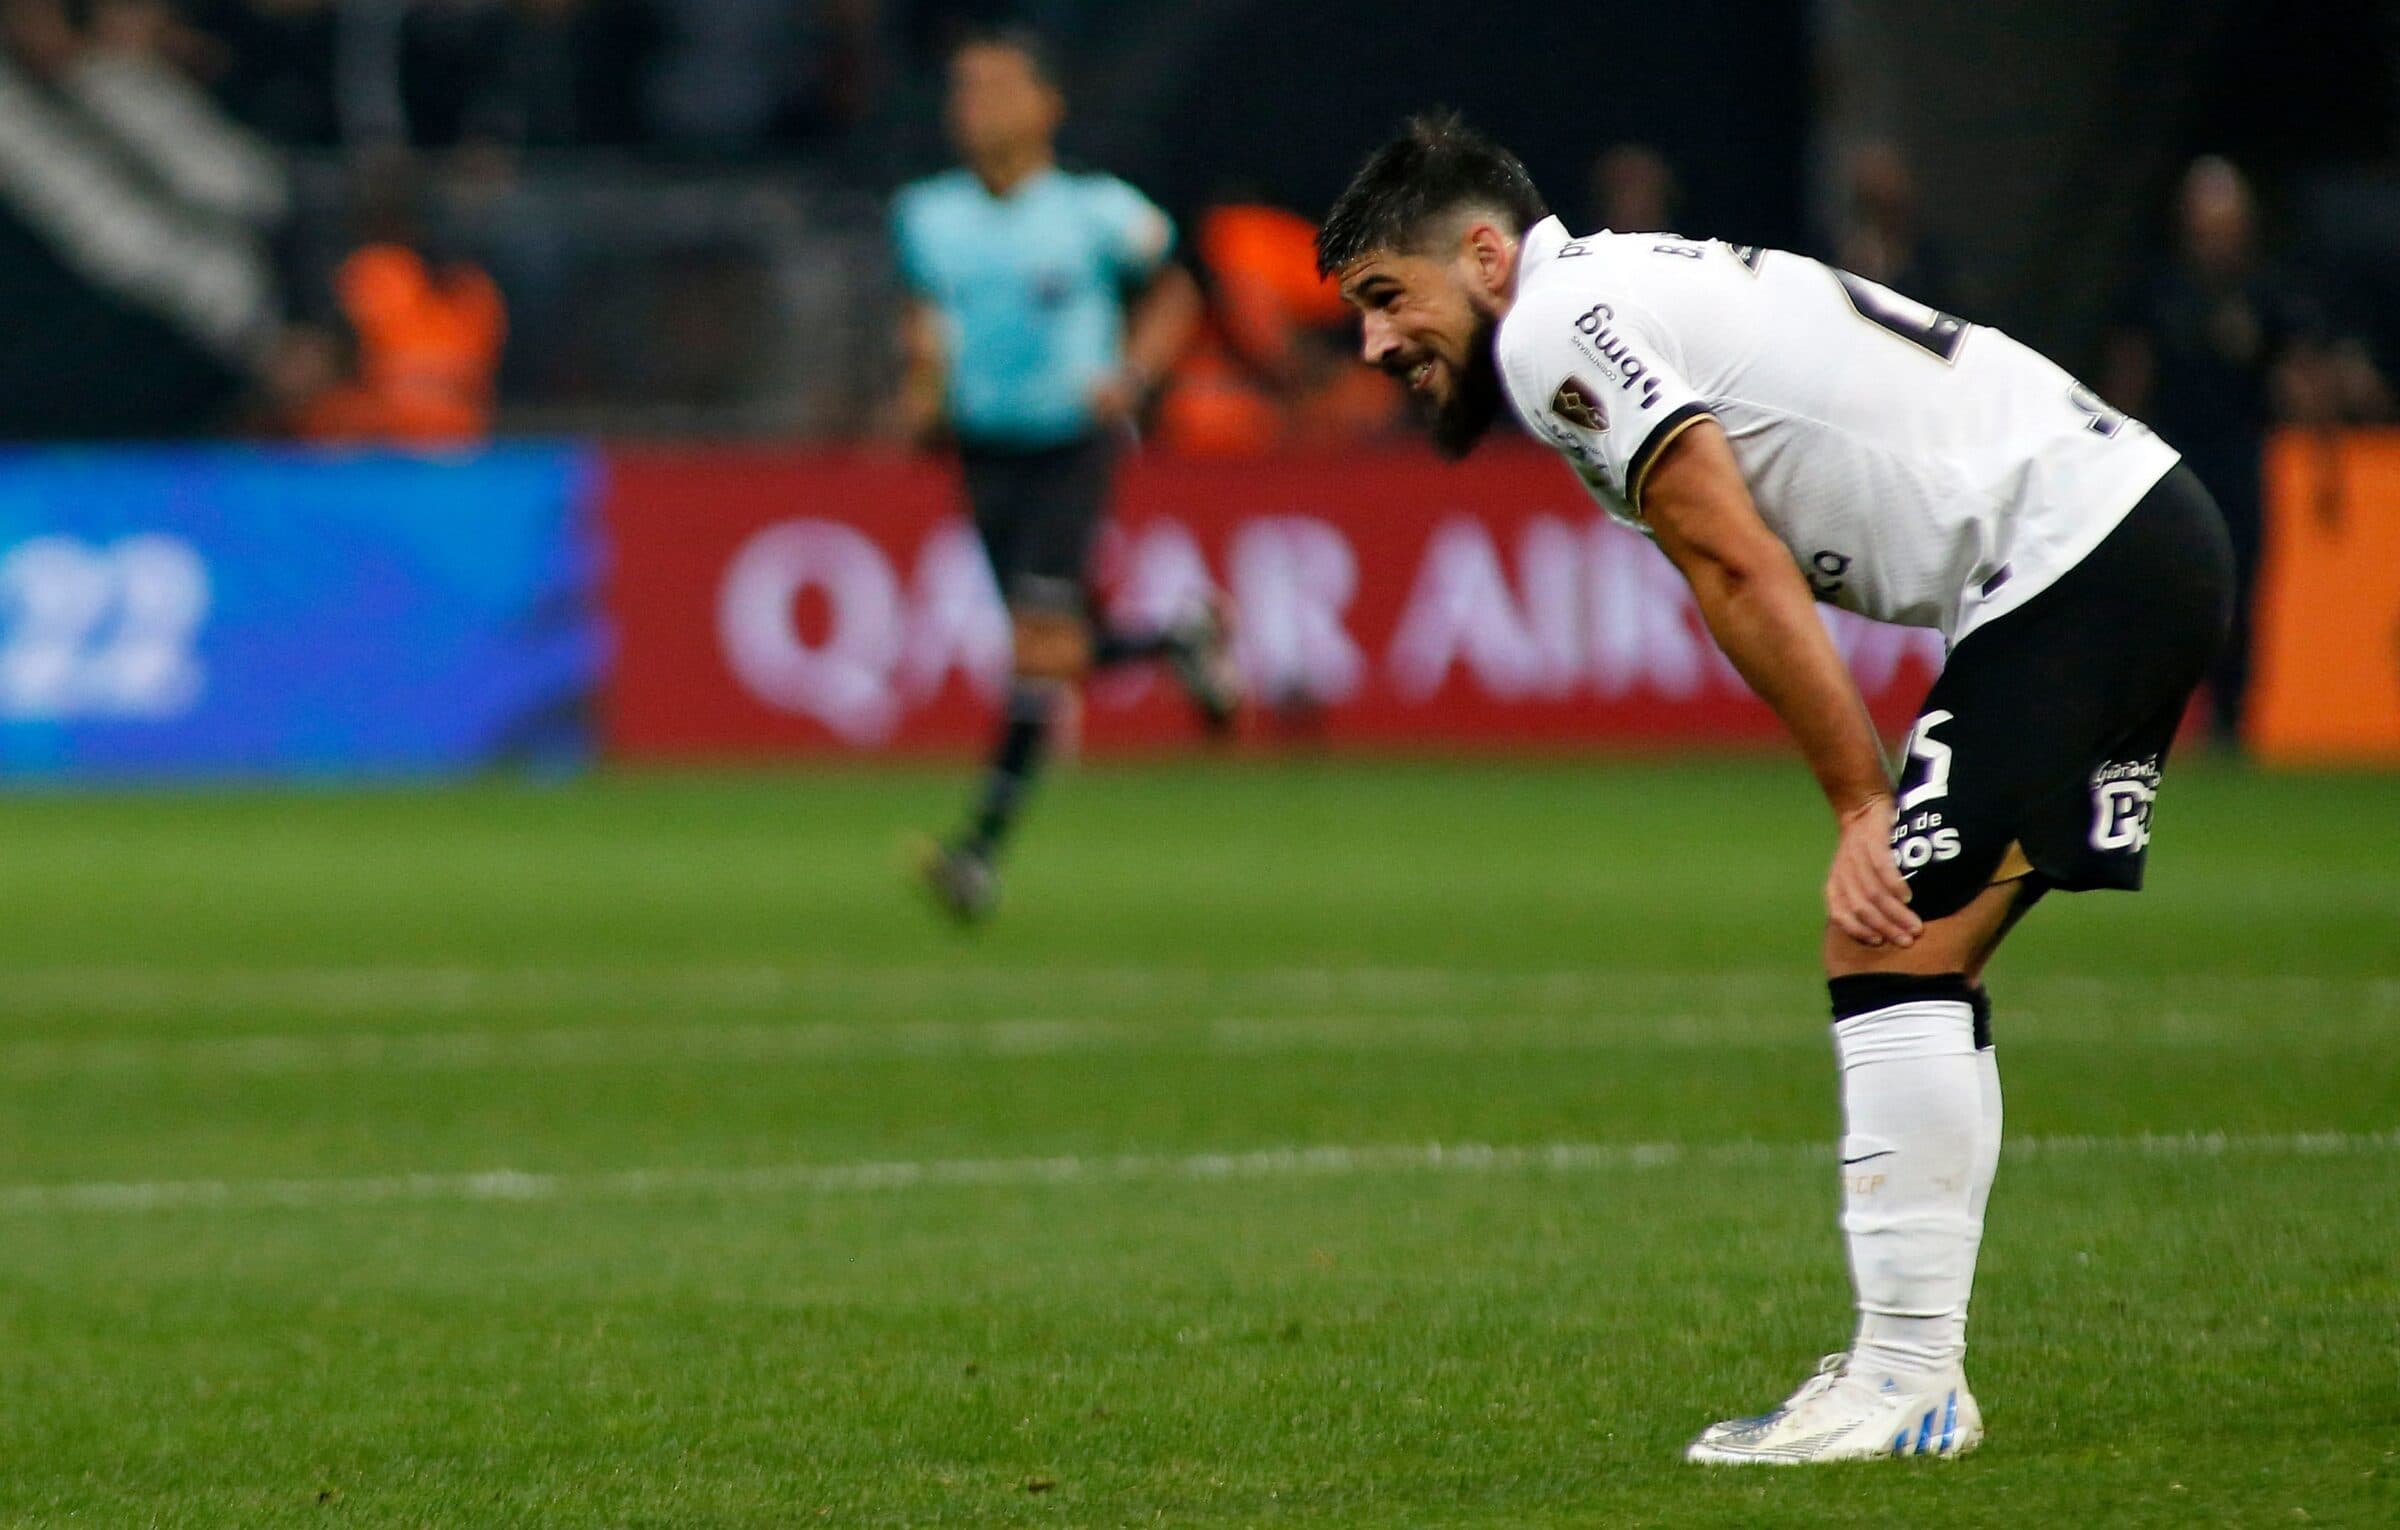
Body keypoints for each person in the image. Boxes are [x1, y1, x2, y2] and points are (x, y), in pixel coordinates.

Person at [1317, 114, 2230, 1464]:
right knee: (1919, 950)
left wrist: (1862, 802)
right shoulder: (1608, 291)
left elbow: (1736, 562)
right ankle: (1908, 1368)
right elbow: (1734, 564)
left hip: (2080, 553)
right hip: (2118, 538)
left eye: (1389, 296)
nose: (1375, 342)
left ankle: (1908, 1381)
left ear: (1486, 255)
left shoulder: (1552, 327)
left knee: (1890, 936)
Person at [892, 27, 1232, 924]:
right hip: (980, 447)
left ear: (1047, 106)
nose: (975, 108)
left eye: (997, 89)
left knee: (1039, 646)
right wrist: (922, 388)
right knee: (1047, 645)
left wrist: (1134, 376)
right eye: (965, 90)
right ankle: (1175, 642)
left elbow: (1179, 290)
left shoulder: (1096, 211)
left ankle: (977, 851)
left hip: (1068, 444)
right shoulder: (927, 215)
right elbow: (927, 314)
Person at [2104, 157, 2339, 747]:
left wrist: (2323, 457)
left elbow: (2301, 371)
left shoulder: (2267, 294)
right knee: (2166, 588)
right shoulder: (2158, 290)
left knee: (2244, 586)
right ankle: (2157, 714)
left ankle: (2232, 719)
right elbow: (2131, 373)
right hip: (2173, 461)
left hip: (2238, 458)